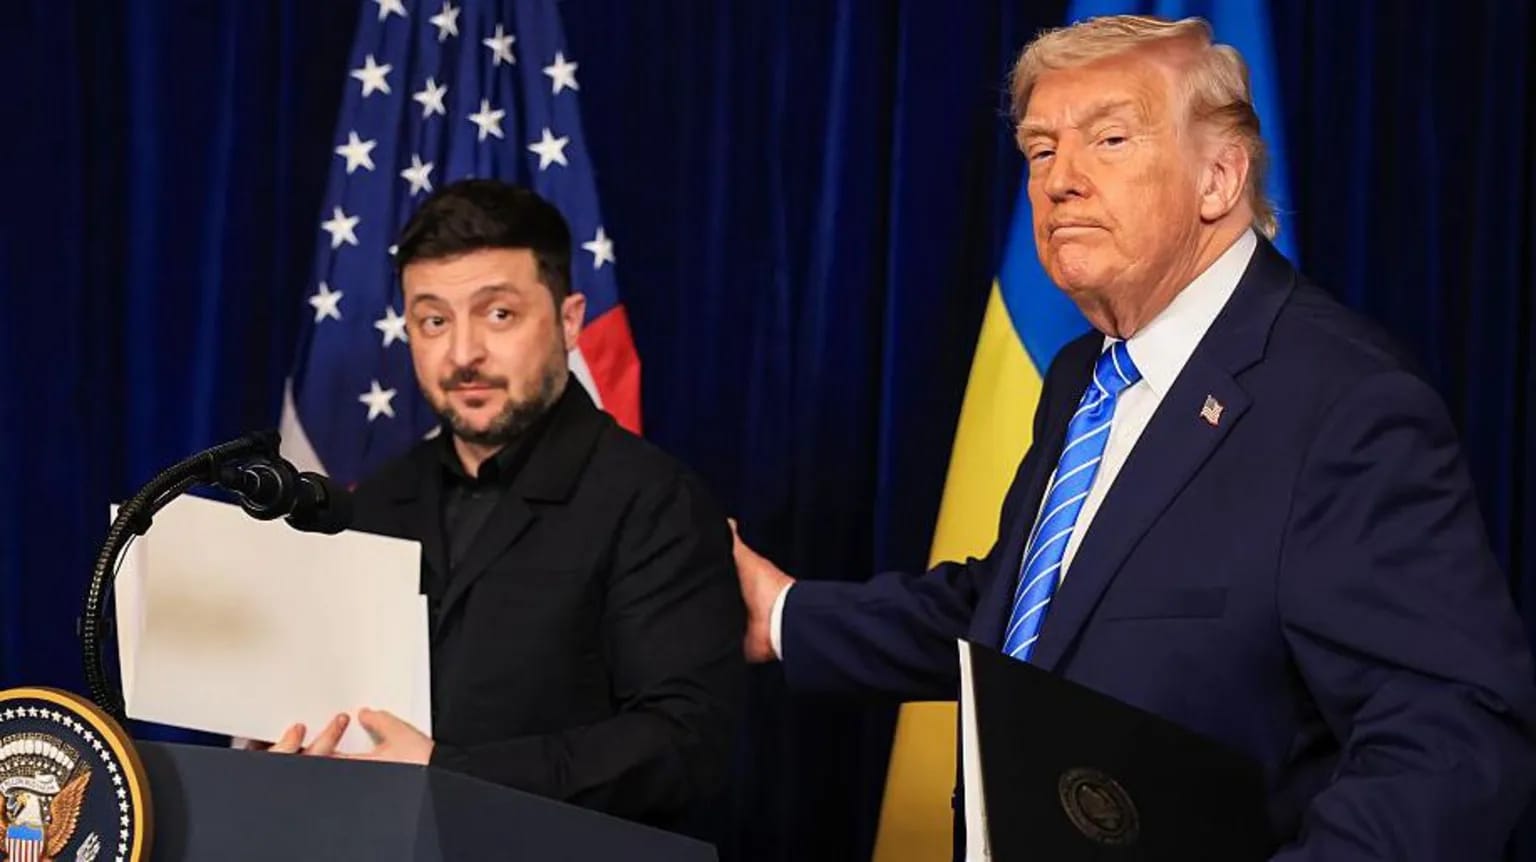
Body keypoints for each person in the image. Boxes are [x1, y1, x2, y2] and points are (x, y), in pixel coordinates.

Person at [730, 14, 1536, 860]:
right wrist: (783, 614)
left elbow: (1454, 734)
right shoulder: (1084, 373)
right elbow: (1031, 614)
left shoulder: (1346, 403)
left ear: (1218, 178)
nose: (1059, 181)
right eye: (1041, 150)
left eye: (1109, 139)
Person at [268, 179, 746, 831]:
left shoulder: (654, 501)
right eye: (434, 321)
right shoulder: (374, 505)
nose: (464, 354)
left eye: (499, 315)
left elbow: (686, 743)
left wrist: (450, 777)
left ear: (570, 321)